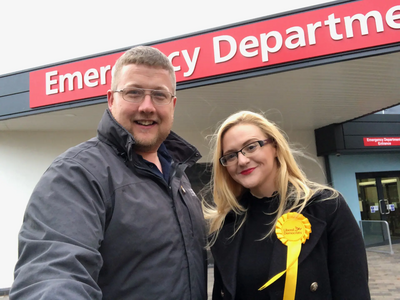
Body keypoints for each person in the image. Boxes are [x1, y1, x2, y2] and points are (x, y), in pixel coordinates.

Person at [11, 46, 207, 300]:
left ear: (173, 104)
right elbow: (53, 274)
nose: (147, 106)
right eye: (133, 93)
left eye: (159, 95)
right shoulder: (76, 173)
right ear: (111, 99)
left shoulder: (179, 178)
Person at [203, 110, 370, 300]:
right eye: (231, 156)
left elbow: (354, 292)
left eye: (251, 147)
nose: (241, 160)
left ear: (274, 146)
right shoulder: (226, 223)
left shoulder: (327, 207)